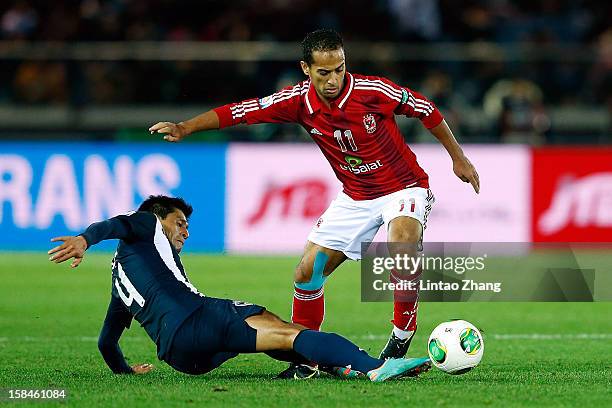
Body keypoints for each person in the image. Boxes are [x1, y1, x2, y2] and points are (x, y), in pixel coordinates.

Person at [149, 29, 480, 378]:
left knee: (402, 243)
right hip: (355, 196)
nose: (334, 78)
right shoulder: (296, 101)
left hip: (404, 187)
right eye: (324, 72)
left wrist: (459, 159)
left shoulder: (371, 91)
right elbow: (242, 112)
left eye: (339, 69)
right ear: (306, 69)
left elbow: (426, 109)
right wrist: (186, 127)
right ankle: (306, 359)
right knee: (307, 271)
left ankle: (401, 334)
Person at [47, 195, 431, 382]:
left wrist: (126, 372)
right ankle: (374, 366)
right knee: (285, 331)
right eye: (179, 223)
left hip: (181, 358)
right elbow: (116, 223)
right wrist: (85, 238)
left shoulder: (120, 279)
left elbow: (105, 344)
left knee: (275, 338)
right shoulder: (146, 224)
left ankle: (320, 365)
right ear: (158, 217)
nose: (185, 231)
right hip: (197, 320)